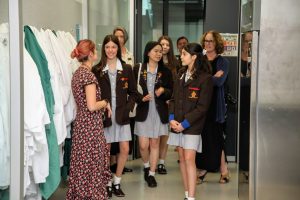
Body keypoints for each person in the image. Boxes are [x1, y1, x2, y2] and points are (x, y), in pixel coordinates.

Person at [92, 35, 138, 198]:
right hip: (105, 116)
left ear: (118, 49)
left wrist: (128, 108)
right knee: (106, 150)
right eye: (107, 47)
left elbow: (133, 93)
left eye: (114, 47)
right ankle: (107, 183)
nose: (110, 50)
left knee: (125, 148)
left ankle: (117, 181)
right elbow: (92, 95)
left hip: (122, 115)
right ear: (103, 49)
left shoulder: (126, 68)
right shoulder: (97, 70)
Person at [66, 39, 111, 200]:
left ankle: (80, 195)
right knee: (92, 165)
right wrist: (105, 102)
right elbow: (92, 106)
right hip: (90, 127)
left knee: (81, 165)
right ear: (91, 54)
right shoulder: (88, 76)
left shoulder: (77, 74)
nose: (97, 53)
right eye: (96, 51)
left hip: (81, 126)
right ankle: (91, 195)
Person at [168, 43, 213, 200]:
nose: (181, 57)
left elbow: (202, 108)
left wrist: (184, 124)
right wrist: (171, 119)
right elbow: (173, 99)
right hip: (177, 125)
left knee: (189, 160)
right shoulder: (180, 74)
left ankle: (192, 197)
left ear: (194, 57)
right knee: (182, 159)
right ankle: (187, 194)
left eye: (184, 54)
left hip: (192, 127)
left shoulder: (205, 79)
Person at [133, 41, 173, 187]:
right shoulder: (138, 68)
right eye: (155, 51)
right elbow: (132, 90)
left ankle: (152, 173)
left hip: (158, 111)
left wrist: (163, 91)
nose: (158, 53)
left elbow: (171, 91)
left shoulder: (166, 71)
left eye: (160, 51)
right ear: (148, 52)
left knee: (155, 143)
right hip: (144, 110)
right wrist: (140, 98)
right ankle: (146, 165)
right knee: (143, 145)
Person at [196, 30, 230, 184]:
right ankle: (203, 170)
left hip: (215, 106)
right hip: (201, 105)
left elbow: (220, 82)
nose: (208, 44)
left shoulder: (223, 62)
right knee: (202, 138)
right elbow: (197, 81)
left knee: (217, 139)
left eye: (211, 41)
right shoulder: (200, 60)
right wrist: (211, 78)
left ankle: (223, 171)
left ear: (217, 43)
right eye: (206, 41)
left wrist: (205, 79)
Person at [110, 26, 134, 174]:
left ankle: (120, 165)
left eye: (121, 36)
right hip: (110, 106)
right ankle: (111, 164)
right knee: (109, 141)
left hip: (124, 104)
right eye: (116, 36)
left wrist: (129, 106)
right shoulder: (106, 59)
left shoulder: (129, 56)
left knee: (123, 141)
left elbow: (132, 86)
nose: (119, 39)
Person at [156, 35, 179, 174]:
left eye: (167, 45)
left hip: (170, 100)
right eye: (162, 44)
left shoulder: (176, 63)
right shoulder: (153, 61)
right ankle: (153, 160)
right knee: (155, 135)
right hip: (156, 100)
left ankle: (161, 162)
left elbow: (177, 84)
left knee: (164, 133)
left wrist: (171, 98)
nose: (164, 47)